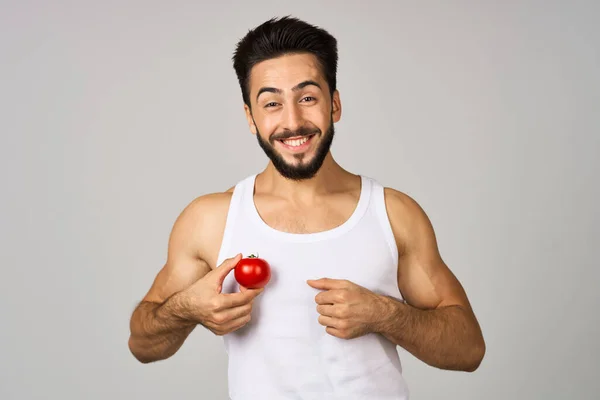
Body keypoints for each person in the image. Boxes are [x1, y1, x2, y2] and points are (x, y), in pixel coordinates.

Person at [128, 16, 485, 399]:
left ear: (335, 104)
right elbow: (143, 345)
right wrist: (185, 309)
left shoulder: (392, 214)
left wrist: (386, 315)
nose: (293, 121)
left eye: (308, 98)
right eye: (271, 104)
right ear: (251, 117)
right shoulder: (211, 219)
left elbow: (468, 350)